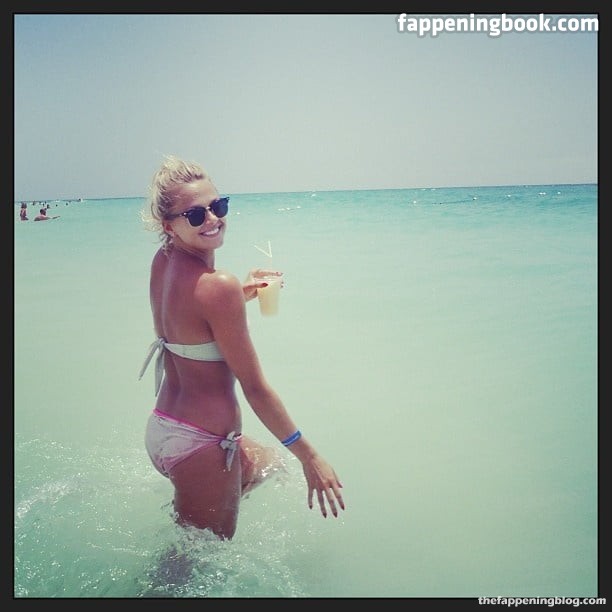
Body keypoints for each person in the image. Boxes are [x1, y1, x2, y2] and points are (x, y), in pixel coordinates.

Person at [139, 155, 344, 539]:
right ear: (169, 225)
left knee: (268, 465)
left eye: (218, 206)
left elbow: (191, 322)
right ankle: (202, 494)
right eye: (195, 215)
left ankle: (202, 496)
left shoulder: (163, 261)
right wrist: (311, 456)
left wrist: (240, 295)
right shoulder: (220, 287)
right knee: (192, 567)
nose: (212, 219)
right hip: (201, 443)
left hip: (164, 427)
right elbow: (255, 388)